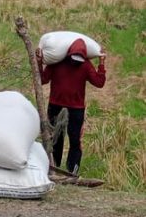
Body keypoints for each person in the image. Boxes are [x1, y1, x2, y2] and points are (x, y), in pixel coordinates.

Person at [36, 39, 106, 175]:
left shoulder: (80, 65)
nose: (75, 61)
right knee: (58, 139)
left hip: (69, 108)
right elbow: (43, 79)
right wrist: (39, 62)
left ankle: (68, 171)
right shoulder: (68, 64)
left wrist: (102, 62)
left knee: (69, 140)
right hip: (65, 107)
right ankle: (56, 169)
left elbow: (99, 82)